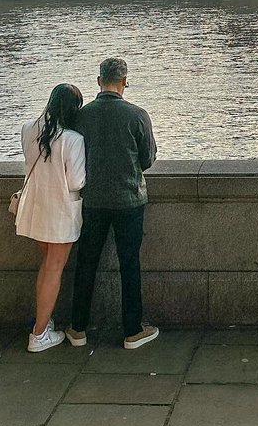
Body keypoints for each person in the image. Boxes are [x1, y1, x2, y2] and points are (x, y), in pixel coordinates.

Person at [66, 56, 158, 350]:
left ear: (98, 81)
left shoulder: (82, 116)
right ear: (125, 82)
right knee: (129, 263)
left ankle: (78, 328)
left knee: (86, 262)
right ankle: (132, 330)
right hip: (129, 199)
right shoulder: (137, 115)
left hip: (92, 200)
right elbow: (148, 159)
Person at [15, 82, 85, 353]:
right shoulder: (72, 139)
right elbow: (77, 181)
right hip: (61, 213)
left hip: (36, 208)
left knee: (46, 266)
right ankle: (40, 333)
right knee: (54, 269)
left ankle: (43, 322)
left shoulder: (28, 130)